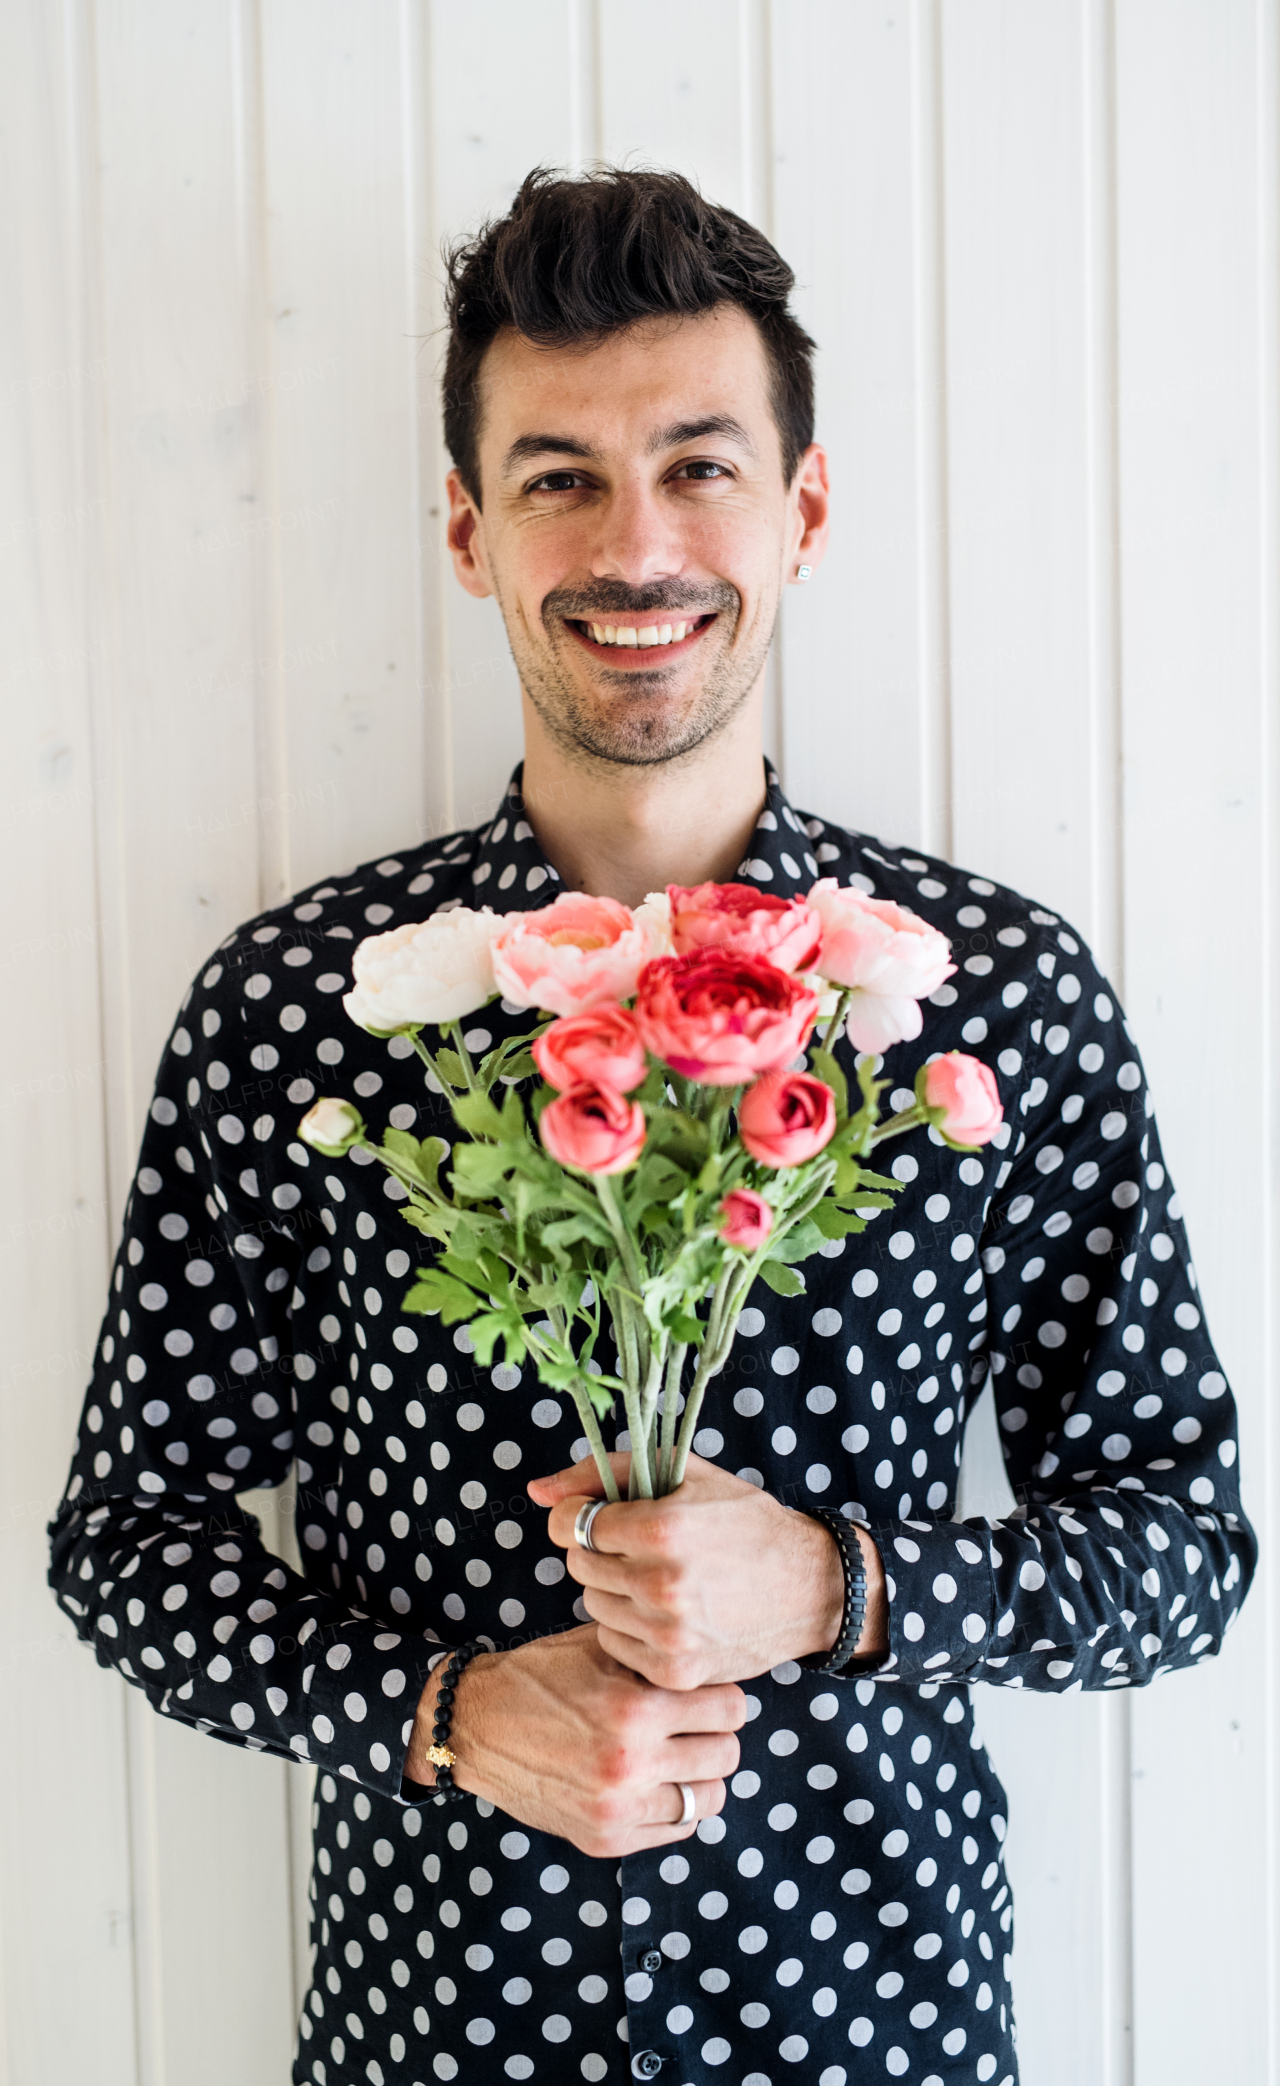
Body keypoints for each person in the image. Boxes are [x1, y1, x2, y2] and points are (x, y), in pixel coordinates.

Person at [50, 167, 1255, 2086]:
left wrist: (842, 1585)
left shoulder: (993, 997)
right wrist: (442, 1712)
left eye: (700, 465)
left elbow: (1185, 1549)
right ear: (467, 529)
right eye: (557, 478)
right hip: (440, 2039)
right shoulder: (304, 1012)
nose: (637, 546)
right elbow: (133, 1548)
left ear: (805, 510)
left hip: (881, 2032)